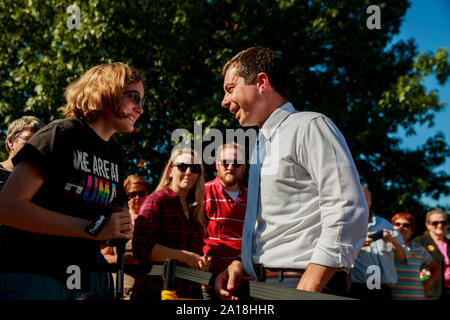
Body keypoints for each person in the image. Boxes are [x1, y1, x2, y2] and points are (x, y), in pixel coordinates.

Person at [215, 46, 368, 299]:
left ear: (261, 82)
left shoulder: (309, 126)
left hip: (301, 288)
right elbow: (281, 228)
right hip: (262, 287)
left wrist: (307, 289)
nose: (224, 101)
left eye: (231, 88)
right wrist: (241, 265)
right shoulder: (259, 147)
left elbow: (347, 210)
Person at [0, 62, 140, 300]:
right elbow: (7, 207)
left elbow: (100, 224)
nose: (140, 109)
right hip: (33, 276)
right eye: (134, 97)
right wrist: (91, 229)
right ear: (108, 91)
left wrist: (118, 225)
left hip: (83, 280)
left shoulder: (114, 154)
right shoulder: (60, 135)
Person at [132, 147, 211, 300]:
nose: (188, 172)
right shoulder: (157, 200)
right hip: (154, 292)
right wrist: (186, 257)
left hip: (187, 293)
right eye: (182, 167)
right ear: (170, 171)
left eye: (194, 168)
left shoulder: (196, 210)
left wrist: (200, 262)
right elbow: (140, 246)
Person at [348, 185, 406, 300]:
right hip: (356, 287)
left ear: (370, 200)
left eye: (364, 198)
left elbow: (402, 258)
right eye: (356, 198)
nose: (360, 202)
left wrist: (393, 241)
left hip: (382, 289)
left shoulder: (385, 224)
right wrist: (358, 244)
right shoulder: (346, 225)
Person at [101, 174, 151, 299]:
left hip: (150, 289)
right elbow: (103, 257)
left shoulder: (155, 221)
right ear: (125, 196)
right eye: (132, 194)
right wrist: (123, 259)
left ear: (148, 194)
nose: (137, 198)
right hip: (123, 289)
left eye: (141, 193)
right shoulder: (117, 220)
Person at [203, 143, 247, 275]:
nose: (230, 167)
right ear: (217, 165)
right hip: (209, 276)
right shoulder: (203, 192)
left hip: (245, 277)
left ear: (243, 167)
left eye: (236, 163)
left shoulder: (253, 198)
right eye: (225, 162)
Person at [390, 212, 441, 300]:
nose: (401, 227)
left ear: (411, 230)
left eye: (406, 225)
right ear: (391, 227)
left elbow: (436, 269)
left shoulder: (418, 249)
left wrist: (427, 285)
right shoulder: (385, 248)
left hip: (417, 296)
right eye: (397, 224)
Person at [413, 209, 450, 299]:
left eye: (443, 222)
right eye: (435, 223)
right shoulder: (418, 243)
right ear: (427, 225)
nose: (440, 225)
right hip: (429, 293)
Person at [0, 116, 45, 190]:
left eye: (39, 141)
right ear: (11, 142)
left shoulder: (40, 178)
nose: (35, 145)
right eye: (28, 139)